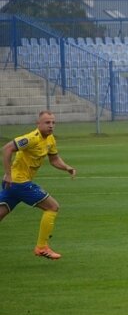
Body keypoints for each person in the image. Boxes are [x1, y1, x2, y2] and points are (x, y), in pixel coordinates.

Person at [1, 111, 77, 259]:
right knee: (52, 207)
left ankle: (42, 247)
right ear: (38, 124)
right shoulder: (31, 138)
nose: (51, 126)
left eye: (53, 123)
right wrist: (8, 174)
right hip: (19, 183)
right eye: (47, 122)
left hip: (14, 185)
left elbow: (54, 159)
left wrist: (67, 167)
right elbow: (7, 148)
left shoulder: (50, 140)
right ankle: (42, 247)